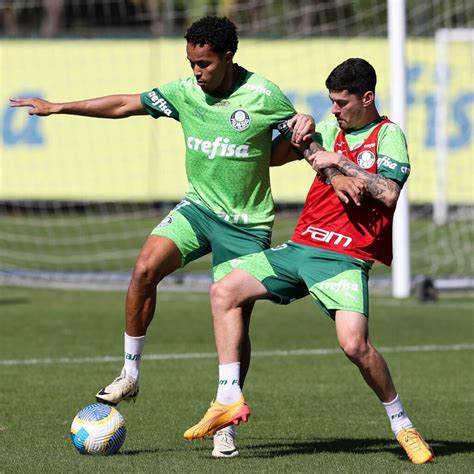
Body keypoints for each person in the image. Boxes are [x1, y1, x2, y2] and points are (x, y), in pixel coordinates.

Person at [10, 16, 359, 458]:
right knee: (144, 269)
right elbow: (124, 104)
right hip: (198, 209)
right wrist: (60, 107)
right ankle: (130, 374)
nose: (197, 72)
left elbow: (302, 141)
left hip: (247, 224)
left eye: (205, 64)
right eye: (192, 63)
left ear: (229, 56)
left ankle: (226, 419)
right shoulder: (183, 92)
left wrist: (319, 154)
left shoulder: (263, 95)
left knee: (234, 320)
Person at [183, 58, 434, 465]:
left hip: (345, 258)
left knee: (355, 345)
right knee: (224, 292)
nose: (333, 110)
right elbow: (287, 150)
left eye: (341, 102)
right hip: (300, 248)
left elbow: (388, 193)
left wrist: (340, 163)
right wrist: (298, 125)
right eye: (330, 102)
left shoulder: (387, 135)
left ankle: (402, 424)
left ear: (366, 98)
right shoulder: (329, 128)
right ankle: (227, 402)